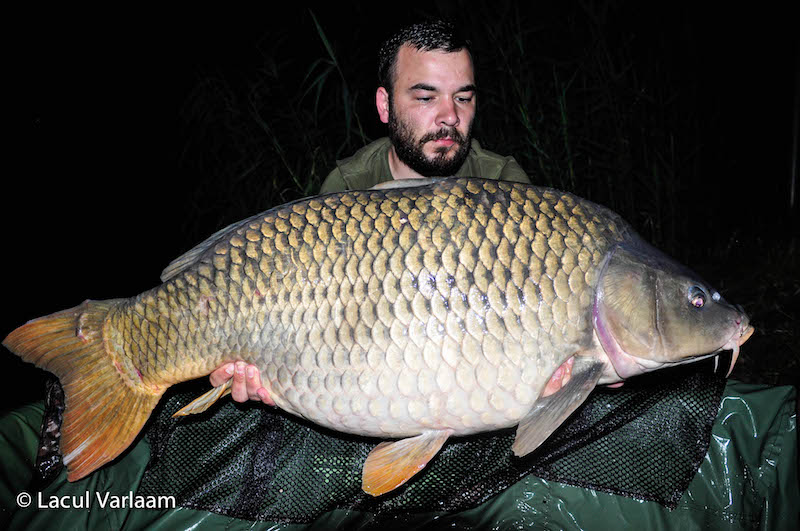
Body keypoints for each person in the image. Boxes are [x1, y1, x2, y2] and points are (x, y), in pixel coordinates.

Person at [209, 20, 530, 401]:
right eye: (426, 97)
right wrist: (265, 369)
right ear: (384, 104)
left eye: (463, 97)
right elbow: (313, 327)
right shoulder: (347, 188)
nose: (450, 115)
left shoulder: (504, 185)